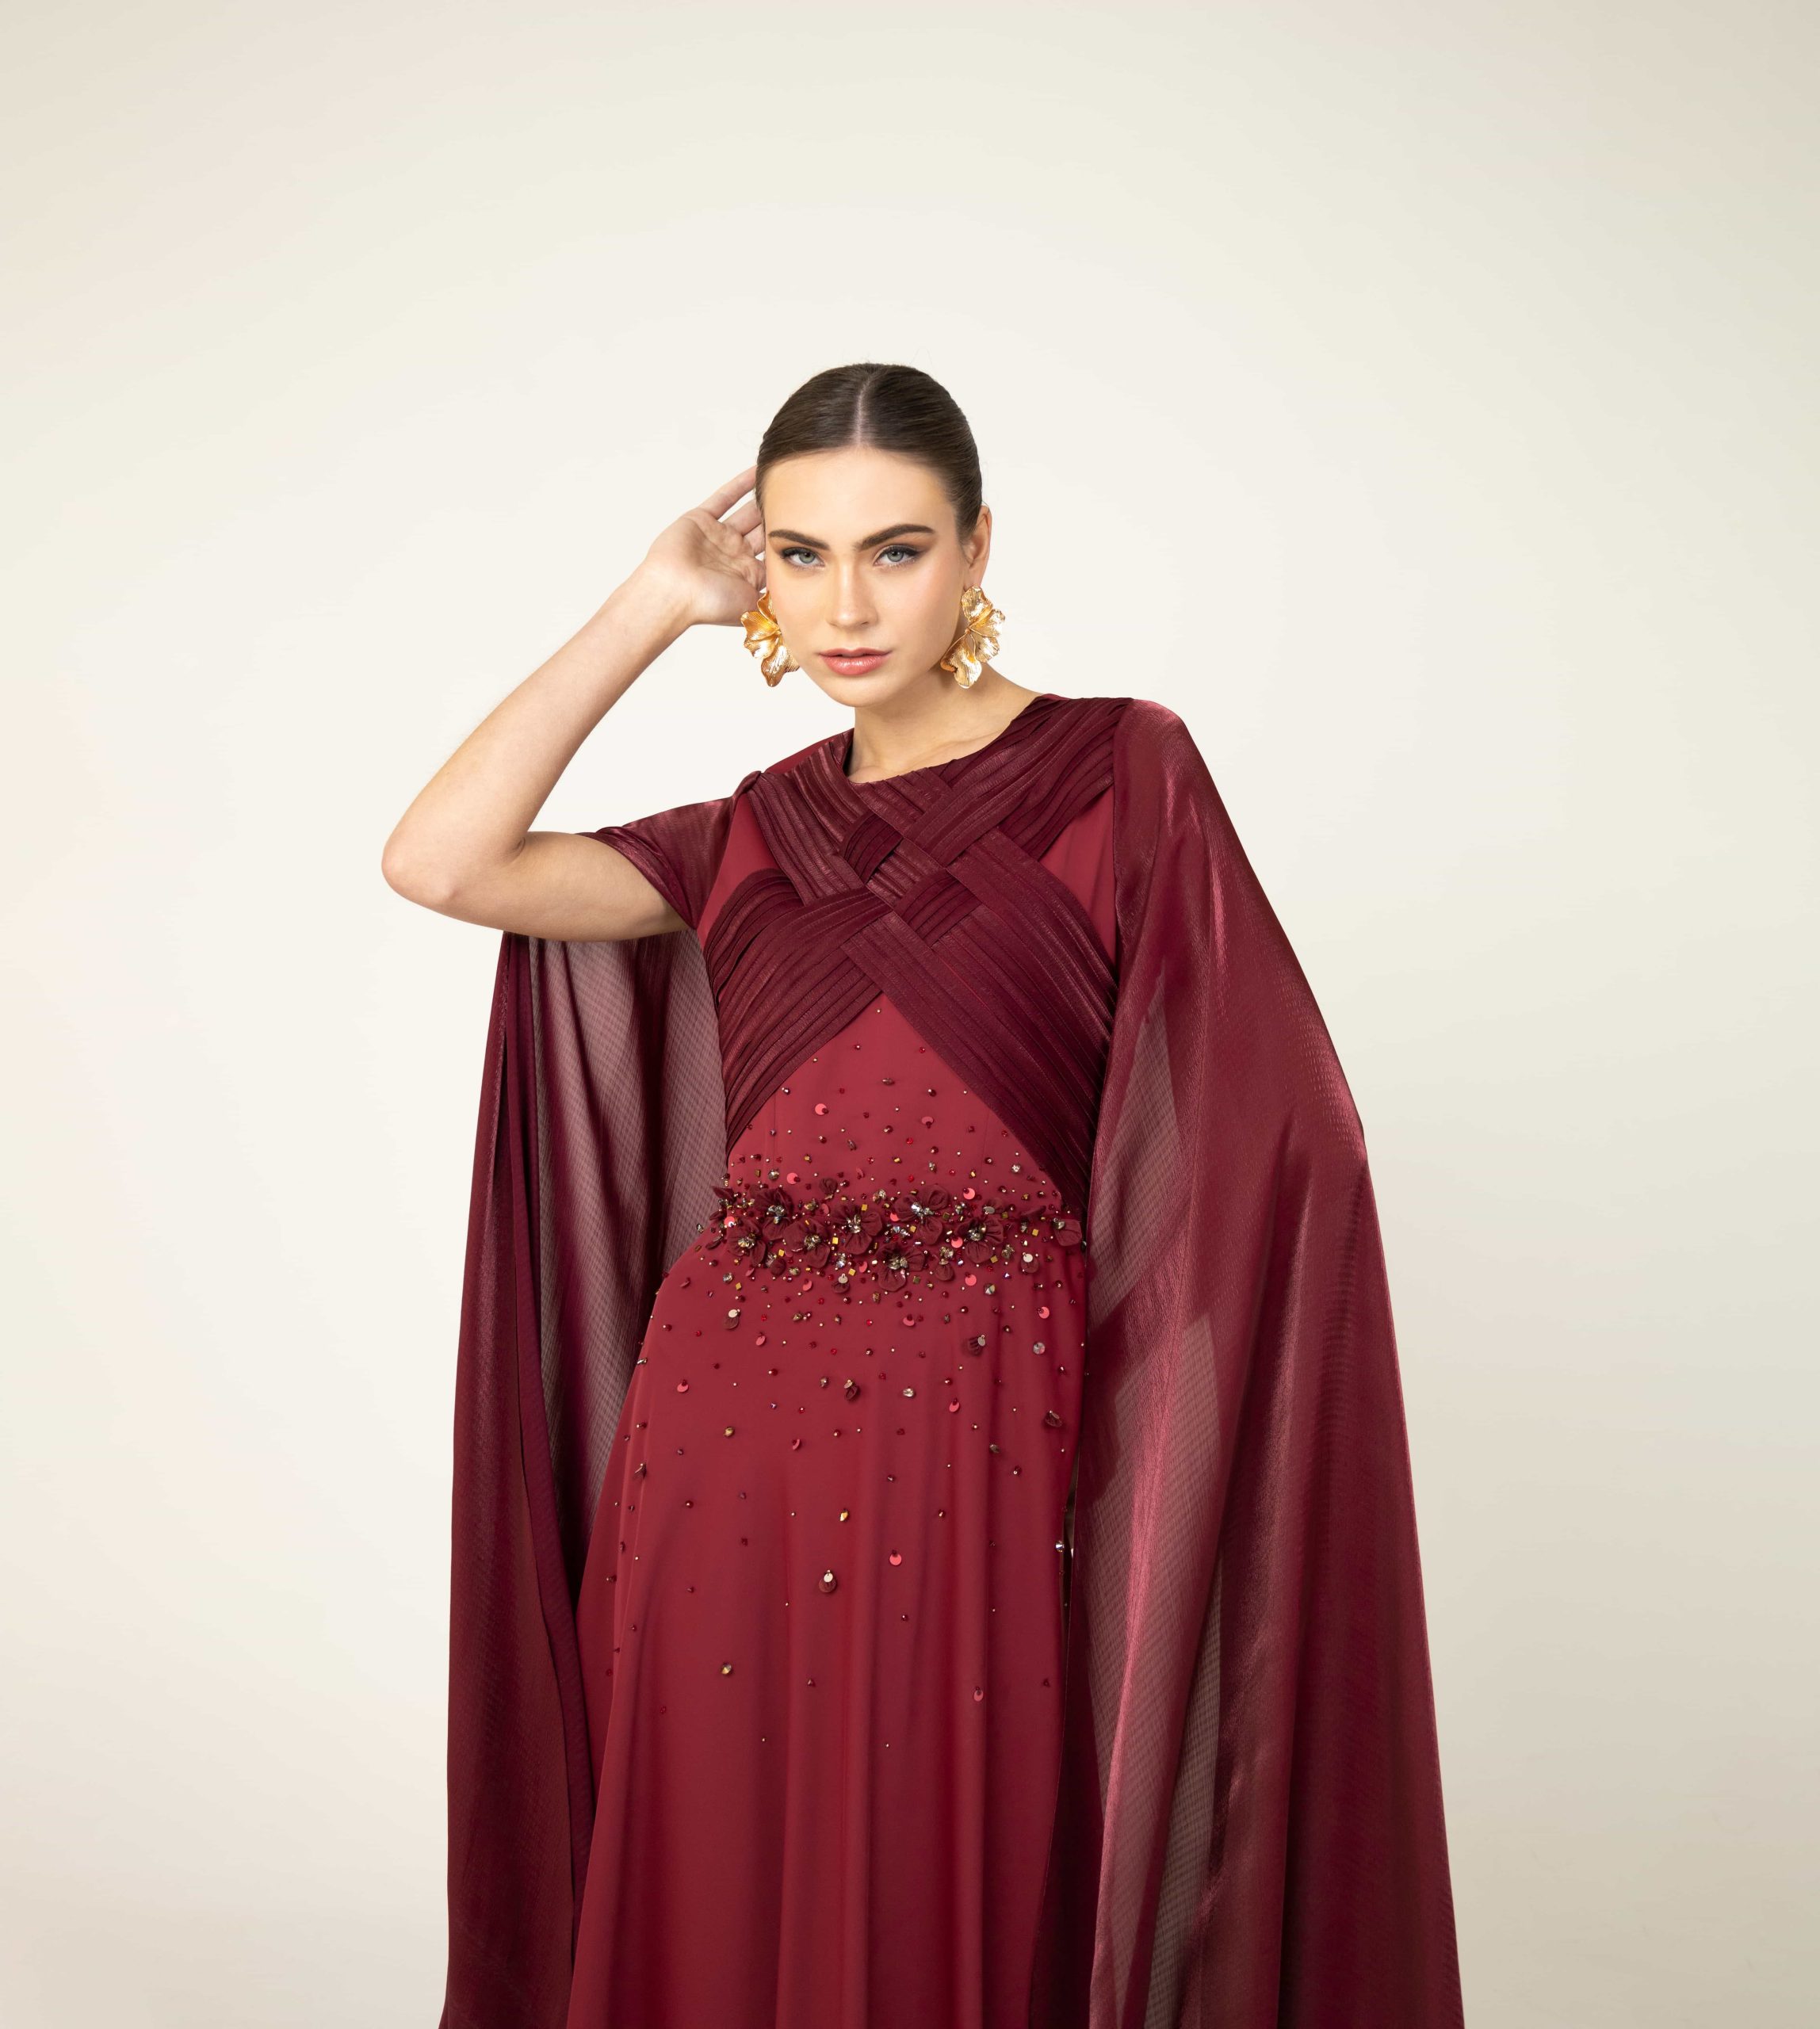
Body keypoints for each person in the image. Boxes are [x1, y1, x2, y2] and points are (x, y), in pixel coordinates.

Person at [383, 362, 1465, 2029]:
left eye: (893, 551)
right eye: (799, 555)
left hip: (992, 1426)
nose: (844, 604)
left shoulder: (1123, 770)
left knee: (959, 1867)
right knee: (728, 1863)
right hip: (727, 1440)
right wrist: (649, 602)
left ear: (975, 549)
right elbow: (440, 860)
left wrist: (1149, 1396)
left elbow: (1276, 1126)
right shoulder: (747, 834)